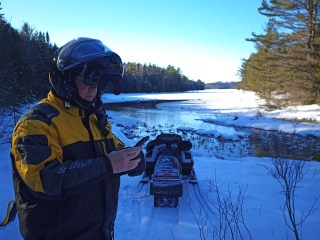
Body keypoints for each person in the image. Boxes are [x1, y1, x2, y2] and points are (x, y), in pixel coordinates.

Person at [9, 37, 145, 240]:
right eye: (89, 80)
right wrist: (108, 165)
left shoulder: (92, 117)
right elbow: (45, 180)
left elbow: (115, 149)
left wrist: (133, 160)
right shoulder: (36, 124)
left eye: (99, 82)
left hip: (99, 231)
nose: (95, 89)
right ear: (66, 80)